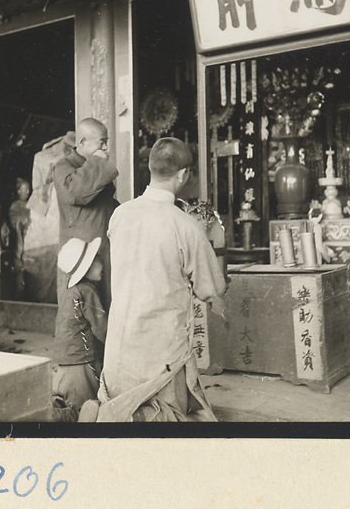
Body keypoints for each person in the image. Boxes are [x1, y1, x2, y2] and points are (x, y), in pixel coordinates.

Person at [82, 137, 227, 422]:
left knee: (119, 406)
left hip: (119, 349)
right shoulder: (186, 226)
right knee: (166, 418)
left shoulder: (120, 215)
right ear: (183, 174)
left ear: (150, 168)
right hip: (160, 354)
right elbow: (211, 288)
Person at [53, 118, 119, 308]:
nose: (106, 147)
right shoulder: (64, 167)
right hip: (80, 256)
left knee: (103, 308)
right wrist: (98, 160)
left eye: (106, 142)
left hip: (103, 250)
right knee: (80, 314)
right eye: (102, 142)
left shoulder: (93, 168)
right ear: (82, 142)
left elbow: (108, 205)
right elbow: (77, 193)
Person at [52, 236, 108, 422]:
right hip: (81, 367)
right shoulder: (88, 291)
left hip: (64, 367)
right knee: (87, 413)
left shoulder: (71, 292)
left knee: (69, 412)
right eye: (97, 259)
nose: (102, 263)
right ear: (87, 268)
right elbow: (103, 331)